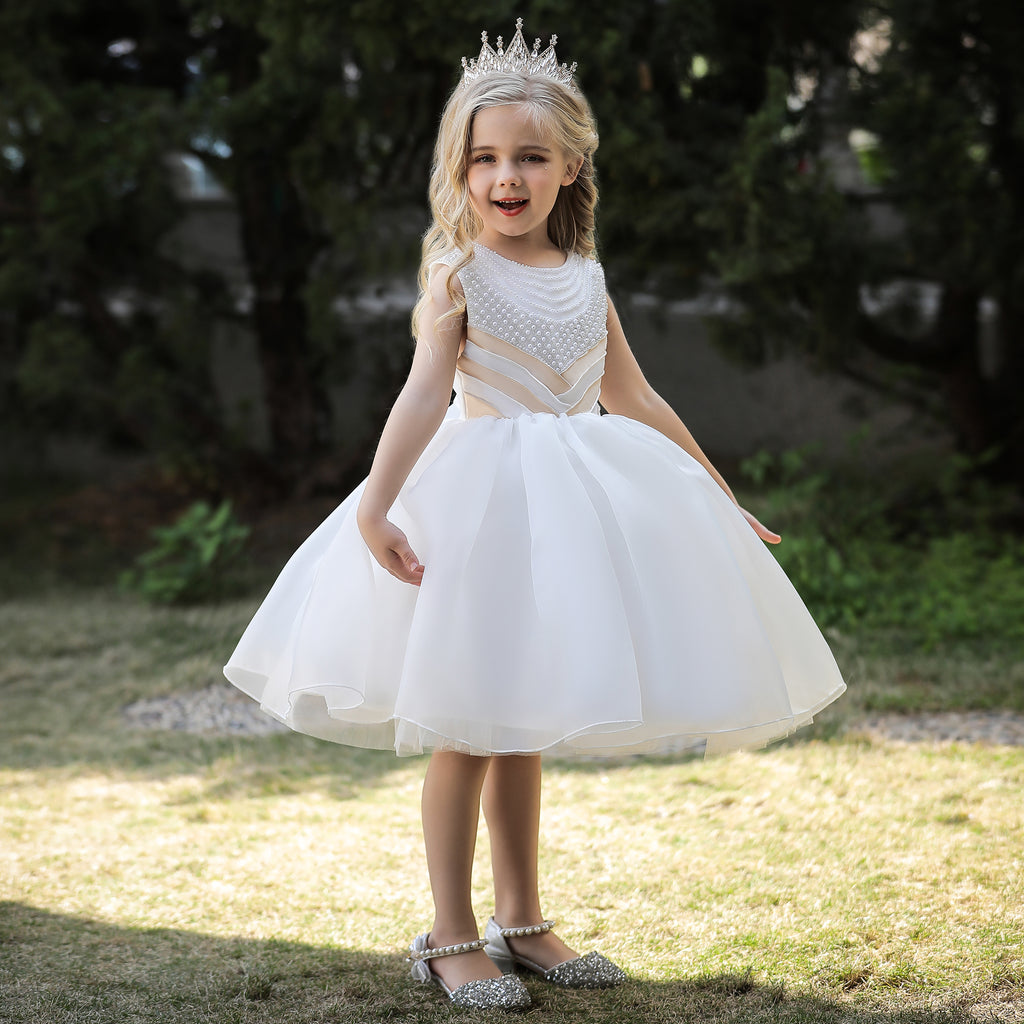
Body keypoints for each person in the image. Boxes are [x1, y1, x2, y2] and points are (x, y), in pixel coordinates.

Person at [224, 18, 846, 1012]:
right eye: (484, 158)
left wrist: (718, 493)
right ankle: (448, 932)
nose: (504, 176)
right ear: (461, 170)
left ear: (568, 169)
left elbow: (632, 397)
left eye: (527, 157)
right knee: (465, 727)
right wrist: (374, 507)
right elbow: (424, 396)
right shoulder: (460, 276)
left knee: (521, 728)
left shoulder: (589, 276)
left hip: (565, 516)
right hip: (476, 514)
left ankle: (523, 919)